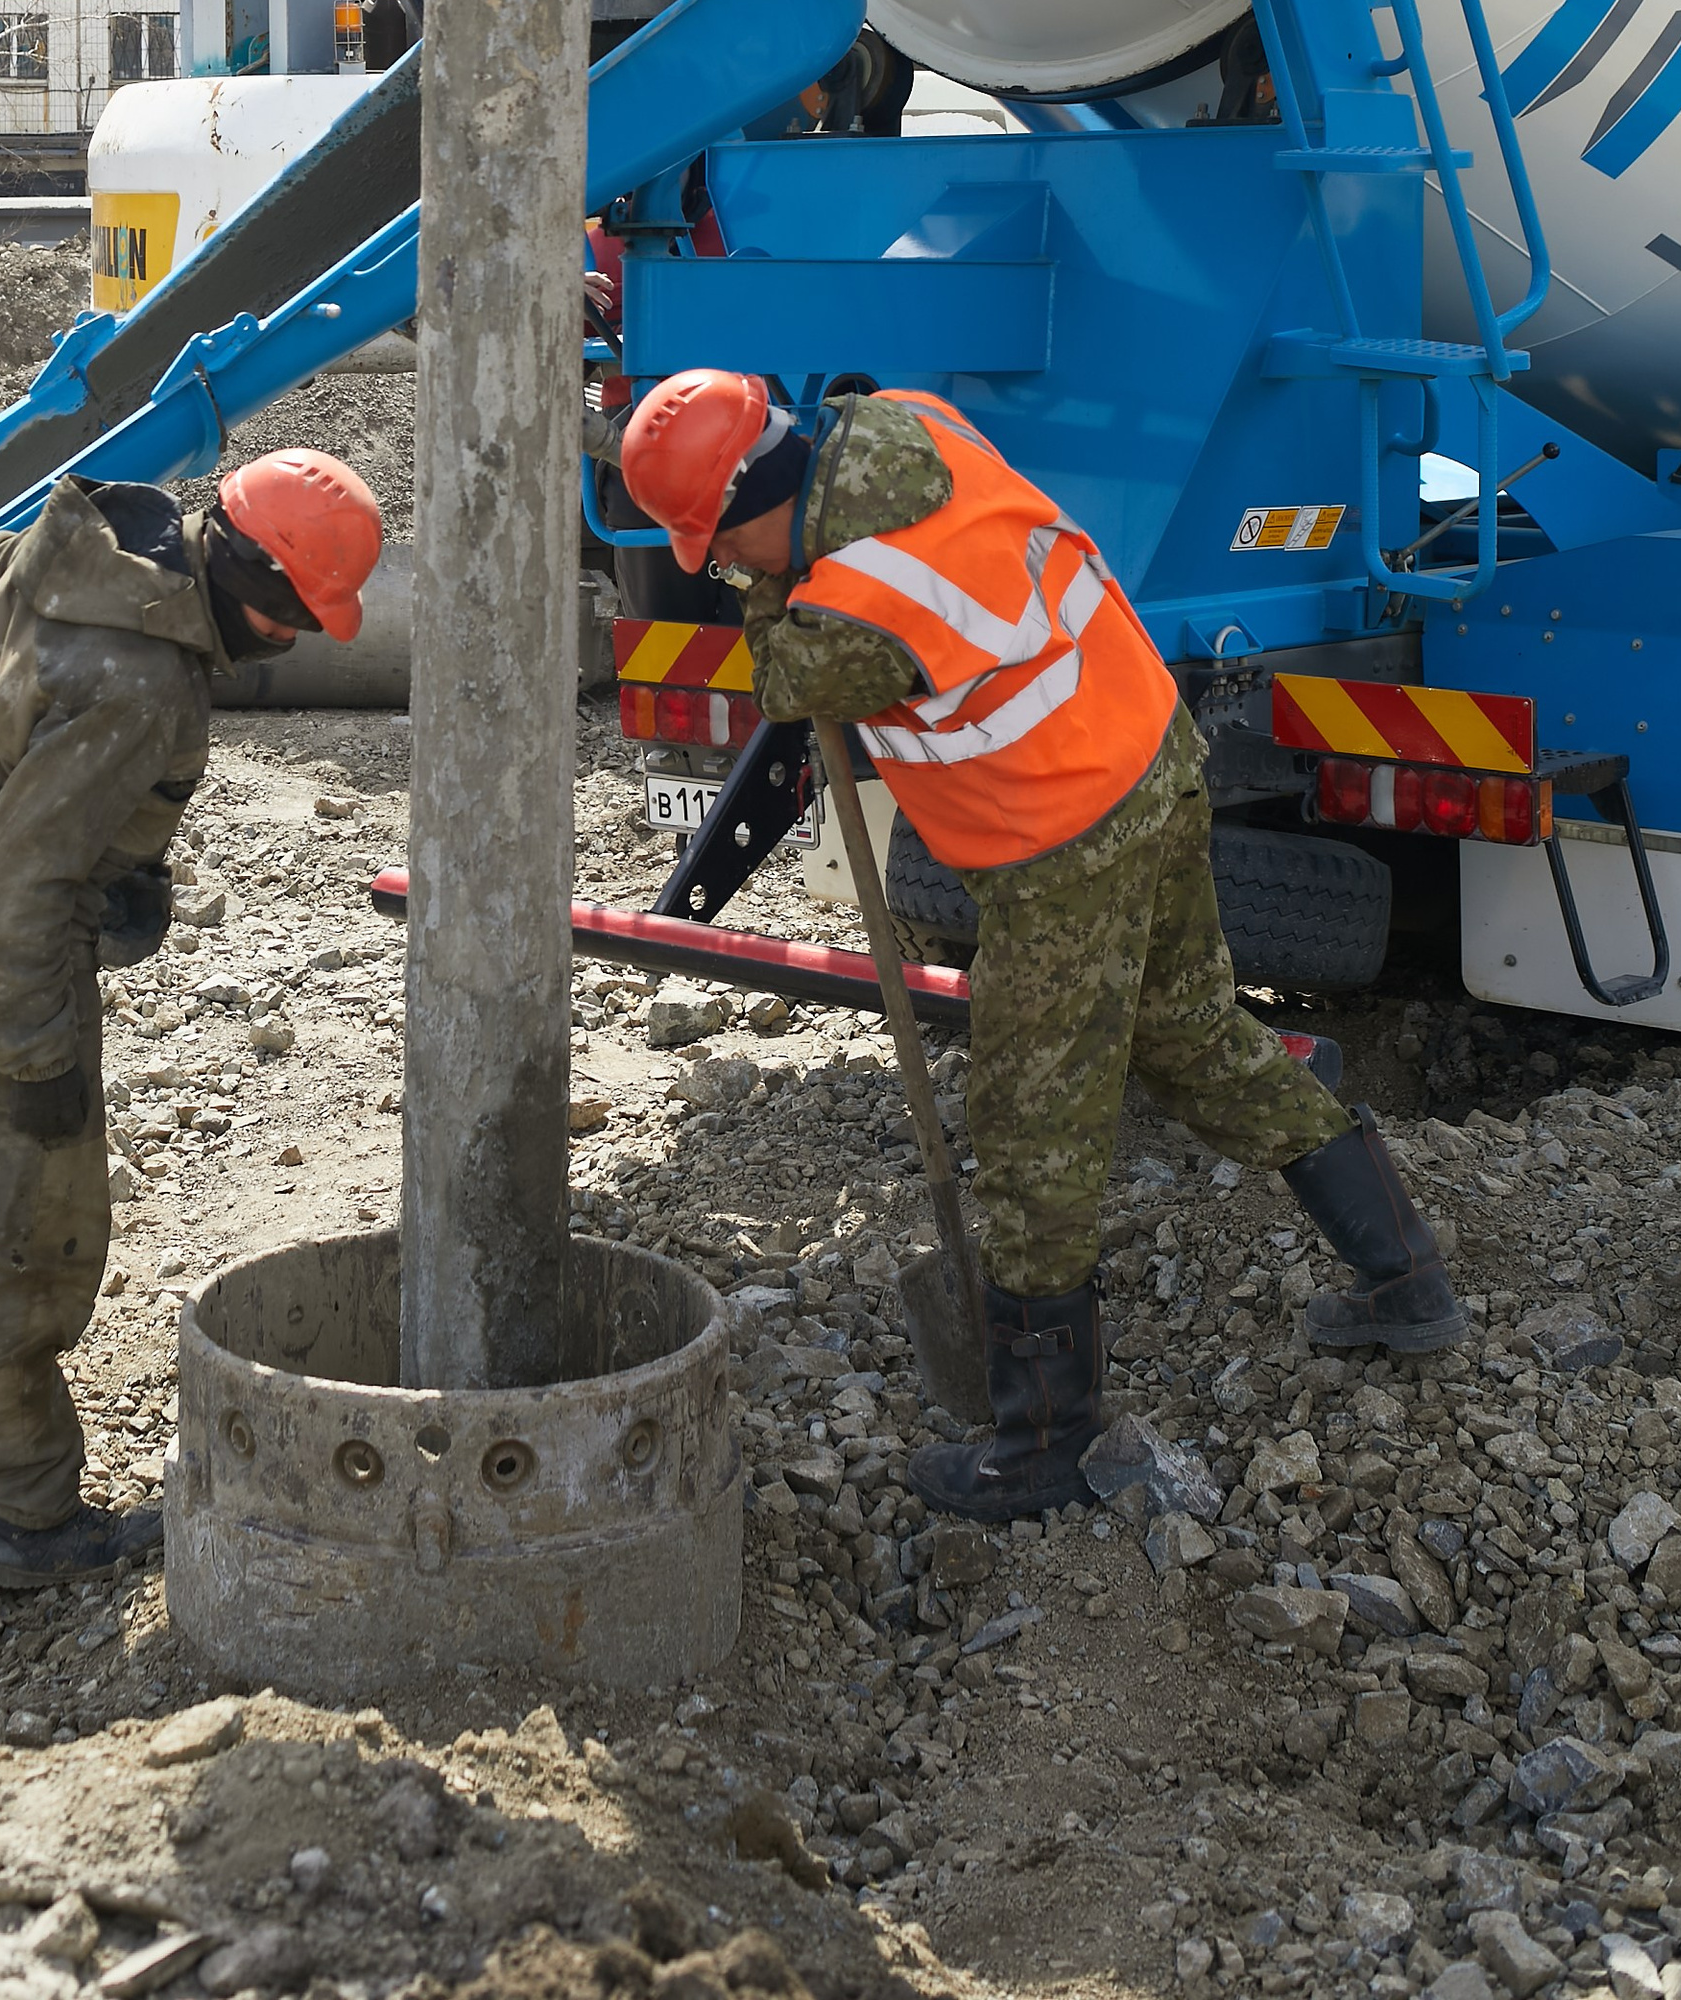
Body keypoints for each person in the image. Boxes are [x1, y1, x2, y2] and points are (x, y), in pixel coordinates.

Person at [618, 369, 1465, 1524]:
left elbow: (783, 670)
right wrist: (775, 567)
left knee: (1031, 1132)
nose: (732, 570)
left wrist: (767, 593)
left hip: (1063, 841)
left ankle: (1046, 1443)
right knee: (1194, 1035)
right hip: (1151, 758)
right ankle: (1405, 1274)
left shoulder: (858, 608)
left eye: (722, 548)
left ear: (760, 496)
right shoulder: (907, 422)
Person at [0, 446, 384, 1585]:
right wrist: (41, 1057)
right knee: (28, 1215)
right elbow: (17, 897)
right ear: (250, 581)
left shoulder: (79, 548)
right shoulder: (141, 684)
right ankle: (31, 1520)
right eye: (294, 618)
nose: (292, 643)